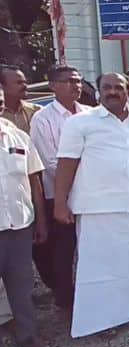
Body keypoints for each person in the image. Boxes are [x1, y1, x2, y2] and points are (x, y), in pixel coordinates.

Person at [54, 72, 129, 338]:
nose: (113, 92)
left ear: (128, 91)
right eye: (107, 87)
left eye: (118, 87)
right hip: (98, 208)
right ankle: (99, 322)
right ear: (98, 91)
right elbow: (66, 164)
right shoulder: (80, 123)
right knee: (99, 268)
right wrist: (60, 203)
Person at [29, 65, 88, 310]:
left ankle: (91, 299)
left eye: (78, 80)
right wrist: (89, 175)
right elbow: (52, 163)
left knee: (89, 250)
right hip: (59, 197)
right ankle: (66, 303)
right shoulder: (42, 119)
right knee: (63, 254)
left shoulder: (90, 113)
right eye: (68, 81)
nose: (76, 85)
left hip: (90, 196)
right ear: (53, 86)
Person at [0, 117, 49, 347]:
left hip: (19, 224)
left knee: (22, 284)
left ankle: (28, 334)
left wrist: (41, 221)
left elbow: (34, 180)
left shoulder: (18, 136)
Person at [0, 65, 40, 133]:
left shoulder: (37, 111)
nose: (25, 86)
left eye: (25, 82)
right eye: (19, 83)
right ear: (2, 86)